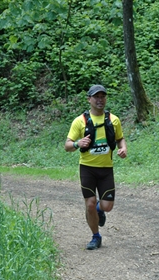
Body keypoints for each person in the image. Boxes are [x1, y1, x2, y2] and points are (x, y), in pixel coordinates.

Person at [64, 84, 128, 250]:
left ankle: (100, 210)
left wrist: (123, 148)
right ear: (89, 99)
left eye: (102, 96)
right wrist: (78, 143)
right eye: (96, 97)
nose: (100, 100)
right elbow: (67, 145)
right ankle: (95, 236)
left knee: (107, 206)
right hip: (87, 169)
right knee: (90, 204)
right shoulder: (80, 122)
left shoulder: (113, 120)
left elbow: (120, 138)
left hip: (106, 169)